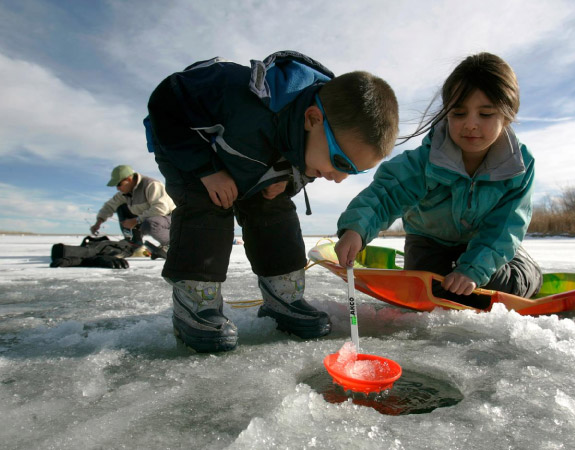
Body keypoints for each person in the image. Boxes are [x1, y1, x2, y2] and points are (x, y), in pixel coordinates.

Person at [145, 51, 399, 352]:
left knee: (275, 211)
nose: (339, 178)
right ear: (313, 119)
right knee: (209, 209)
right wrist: (207, 170)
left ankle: (284, 297)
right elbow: (166, 99)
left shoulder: (316, 136)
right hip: (191, 154)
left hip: (254, 166)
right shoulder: (238, 95)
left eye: (355, 171)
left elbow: (307, 163)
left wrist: (289, 182)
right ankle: (197, 304)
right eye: (340, 162)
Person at [335, 52, 542, 307]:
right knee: (427, 290)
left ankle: (526, 268)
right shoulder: (426, 160)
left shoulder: (518, 165)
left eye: (485, 114)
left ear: (508, 115)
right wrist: (356, 229)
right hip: (428, 240)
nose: (471, 124)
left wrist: (473, 271)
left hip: (483, 241)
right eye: (459, 113)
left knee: (501, 287)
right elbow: (386, 194)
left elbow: (506, 225)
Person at [90, 165, 175, 258]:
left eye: (119, 184)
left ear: (129, 180)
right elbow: (110, 205)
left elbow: (161, 208)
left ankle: (171, 245)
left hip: (171, 218)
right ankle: (134, 244)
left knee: (151, 223)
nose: (117, 188)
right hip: (145, 219)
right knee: (120, 206)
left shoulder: (151, 184)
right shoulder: (125, 193)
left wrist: (135, 221)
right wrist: (99, 222)